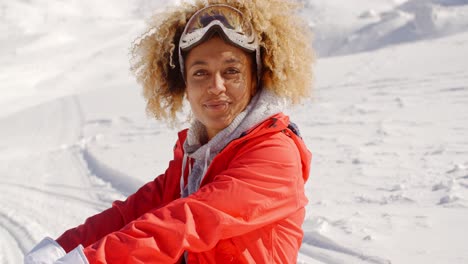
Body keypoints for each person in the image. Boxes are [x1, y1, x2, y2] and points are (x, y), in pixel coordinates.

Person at [24, 0, 314, 263]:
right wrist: (63, 246)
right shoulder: (195, 158)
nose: (216, 86)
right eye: (200, 73)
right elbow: (131, 214)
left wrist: (91, 261)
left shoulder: (274, 154)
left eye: (231, 71)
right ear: (184, 86)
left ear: (256, 79)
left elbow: (189, 220)